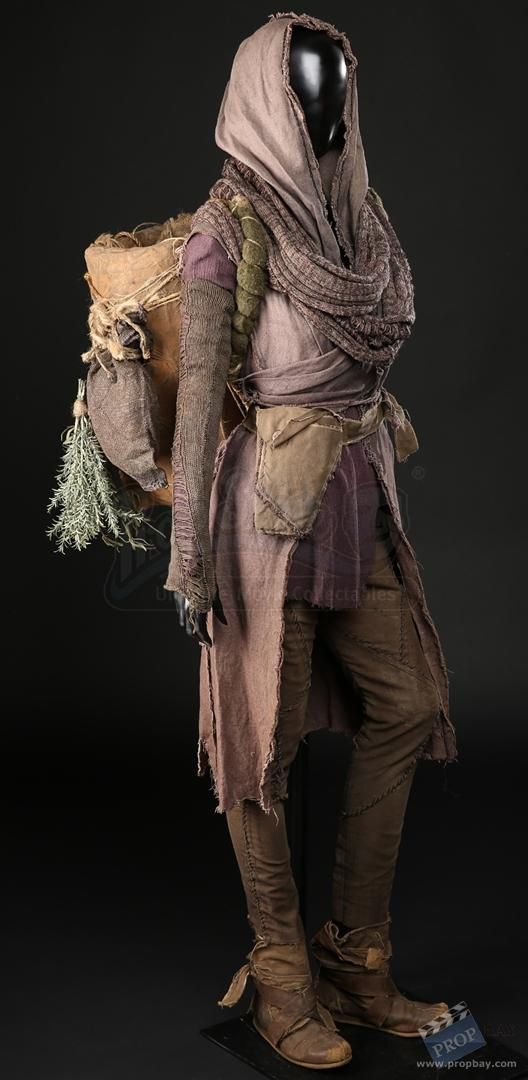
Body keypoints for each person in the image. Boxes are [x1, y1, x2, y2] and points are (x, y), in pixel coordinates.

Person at [166, 11, 457, 1070]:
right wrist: (188, 557)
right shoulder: (229, 228)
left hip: (355, 489)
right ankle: (283, 977)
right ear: (264, 100)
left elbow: (375, 340)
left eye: (337, 84)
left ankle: (355, 958)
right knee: (261, 749)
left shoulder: (358, 219)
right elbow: (198, 403)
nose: (327, 106)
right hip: (264, 518)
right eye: (305, 87)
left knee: (408, 704)